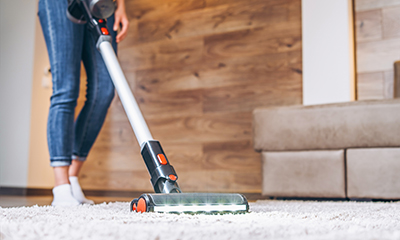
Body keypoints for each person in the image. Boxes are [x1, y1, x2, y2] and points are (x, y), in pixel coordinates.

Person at [38, 0, 129, 206]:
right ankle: (61, 187)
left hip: (100, 3)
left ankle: (72, 177)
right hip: (61, 3)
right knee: (66, 88)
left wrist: (121, 5)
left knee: (104, 90)